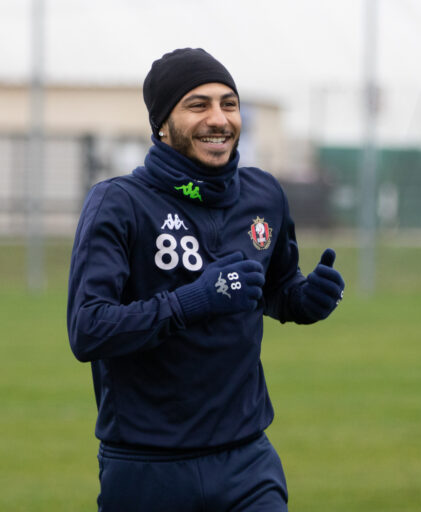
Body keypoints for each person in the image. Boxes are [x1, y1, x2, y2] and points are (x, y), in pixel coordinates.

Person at [67, 48, 345, 512]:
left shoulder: (264, 194)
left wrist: (304, 301)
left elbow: (274, 288)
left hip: (247, 464)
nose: (218, 118)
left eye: (228, 104)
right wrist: (193, 300)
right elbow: (88, 329)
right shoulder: (119, 203)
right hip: (146, 469)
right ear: (161, 123)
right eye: (198, 105)